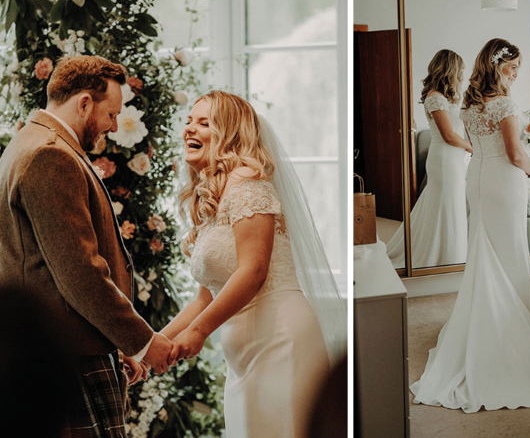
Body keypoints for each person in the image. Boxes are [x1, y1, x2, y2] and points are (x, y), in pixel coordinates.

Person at [0, 55, 173, 437]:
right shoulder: (50, 155)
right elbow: (80, 274)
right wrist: (143, 342)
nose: (113, 126)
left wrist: (117, 340)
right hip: (70, 358)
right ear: (83, 103)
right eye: (111, 114)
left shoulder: (29, 142)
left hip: (65, 349)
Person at [410, 39, 530, 412]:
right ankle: (507, 330)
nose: (517, 73)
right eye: (513, 66)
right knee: (507, 251)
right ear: (498, 66)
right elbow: (513, 153)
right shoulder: (504, 103)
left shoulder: (472, 104)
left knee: (485, 248)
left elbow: (481, 142)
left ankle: (482, 320)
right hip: (503, 183)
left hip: (477, 179)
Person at [163, 91, 345, 437]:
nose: (189, 129)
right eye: (189, 121)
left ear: (229, 134)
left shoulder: (249, 186)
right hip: (244, 355)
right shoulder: (213, 197)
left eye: (204, 123)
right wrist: (157, 342)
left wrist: (199, 332)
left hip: (279, 340)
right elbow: (205, 298)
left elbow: (254, 271)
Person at [385, 49, 472, 268]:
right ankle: (443, 256)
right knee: (445, 203)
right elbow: (448, 135)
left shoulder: (446, 97)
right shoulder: (434, 97)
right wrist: (473, 148)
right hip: (444, 159)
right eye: (460, 69)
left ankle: (451, 253)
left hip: (453, 159)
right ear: (450, 69)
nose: (462, 74)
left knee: (448, 204)